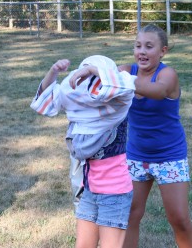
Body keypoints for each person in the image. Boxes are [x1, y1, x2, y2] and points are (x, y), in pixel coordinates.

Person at [30, 55, 136, 248]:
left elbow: (125, 84)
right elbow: (45, 102)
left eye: (94, 76)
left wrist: (90, 69)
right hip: (89, 189)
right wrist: (53, 72)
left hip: (114, 192)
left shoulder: (119, 102)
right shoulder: (81, 112)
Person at [118, 24, 192, 248]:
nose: (141, 51)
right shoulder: (127, 70)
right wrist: (89, 71)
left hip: (169, 156)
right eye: (138, 45)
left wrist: (121, 80)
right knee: (130, 215)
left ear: (163, 51)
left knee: (179, 218)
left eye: (149, 46)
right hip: (136, 155)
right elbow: (104, 72)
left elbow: (158, 91)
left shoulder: (167, 74)